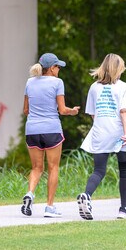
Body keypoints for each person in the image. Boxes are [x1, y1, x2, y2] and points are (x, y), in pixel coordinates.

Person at [77, 53, 126, 220]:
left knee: (99, 170)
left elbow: (93, 114)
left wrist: (102, 125)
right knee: (125, 170)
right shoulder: (125, 88)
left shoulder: (94, 87)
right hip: (119, 133)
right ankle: (124, 208)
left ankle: (86, 195)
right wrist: (125, 133)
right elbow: (124, 111)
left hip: (100, 133)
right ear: (118, 69)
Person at [21, 52, 80, 218]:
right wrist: (73, 111)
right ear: (51, 68)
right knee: (53, 167)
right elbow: (62, 110)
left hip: (32, 130)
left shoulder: (29, 82)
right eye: (58, 67)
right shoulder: (57, 82)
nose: (59, 69)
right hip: (51, 129)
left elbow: (26, 110)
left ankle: (30, 194)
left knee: (36, 168)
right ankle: (49, 207)